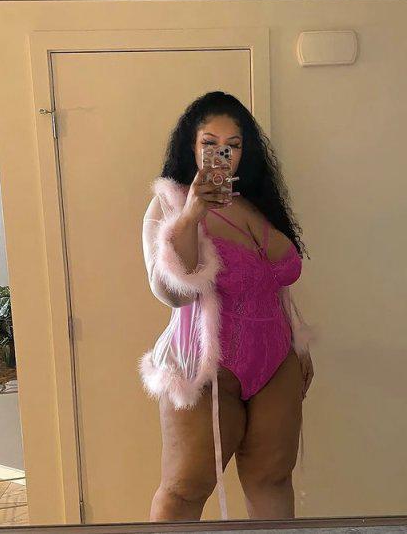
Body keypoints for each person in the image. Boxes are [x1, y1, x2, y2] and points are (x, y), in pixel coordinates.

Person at [140, 91, 317, 522]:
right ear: (191, 145)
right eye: (210, 143)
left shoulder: (259, 202)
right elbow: (172, 292)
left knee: (272, 480)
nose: (222, 155)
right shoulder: (169, 203)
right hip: (206, 366)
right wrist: (191, 216)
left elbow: (275, 283)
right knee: (183, 490)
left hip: (276, 360)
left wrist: (299, 342)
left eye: (232, 145)